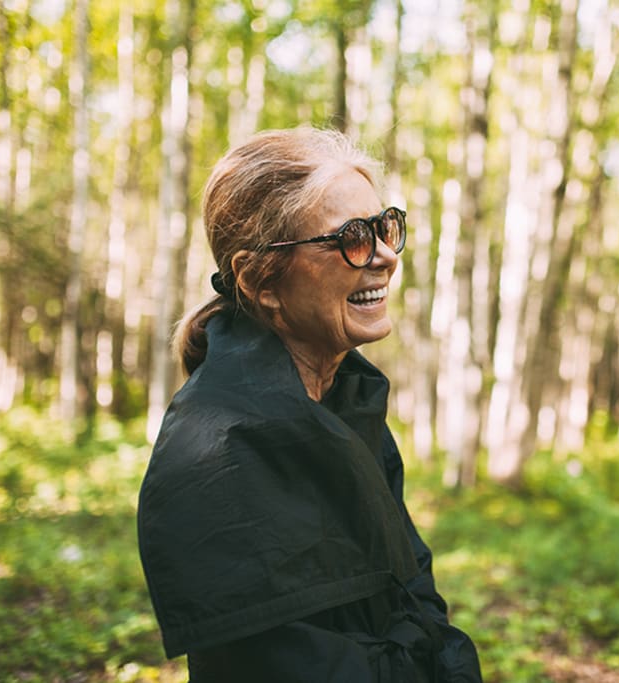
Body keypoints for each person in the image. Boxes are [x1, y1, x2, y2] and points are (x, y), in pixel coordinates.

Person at [137, 126, 482, 682]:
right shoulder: (214, 451)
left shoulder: (350, 399)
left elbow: (414, 590)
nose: (386, 256)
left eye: (384, 227)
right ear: (261, 281)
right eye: (351, 236)